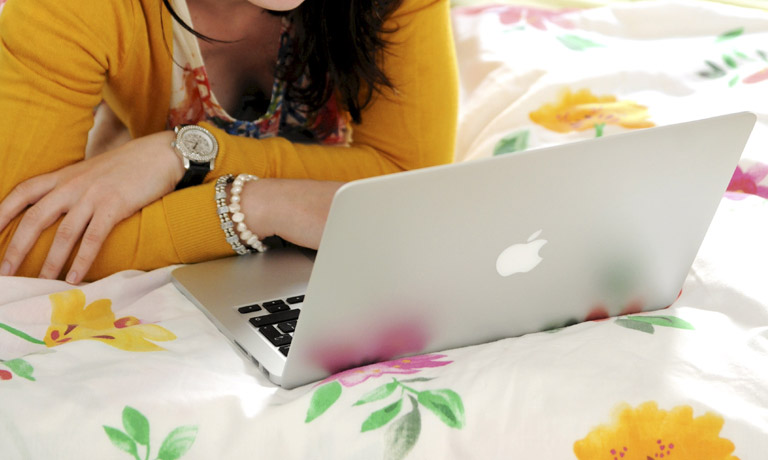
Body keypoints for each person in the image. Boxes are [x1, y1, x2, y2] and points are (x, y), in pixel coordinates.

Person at [0, 0, 458, 283]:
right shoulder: (68, 9)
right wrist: (255, 206)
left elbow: (411, 182)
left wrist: (185, 152)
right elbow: (17, 243)